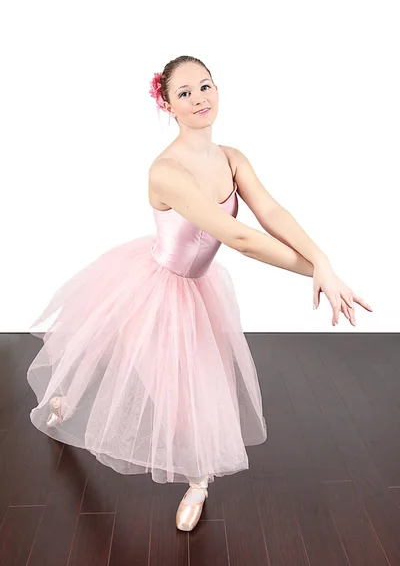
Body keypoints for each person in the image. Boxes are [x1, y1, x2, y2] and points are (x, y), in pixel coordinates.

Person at [27, 55, 372, 532]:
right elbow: (241, 238)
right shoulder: (166, 171)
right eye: (184, 93)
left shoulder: (232, 158)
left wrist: (323, 260)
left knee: (179, 374)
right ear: (167, 104)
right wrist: (316, 272)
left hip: (199, 286)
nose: (198, 99)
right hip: (156, 284)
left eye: (205, 86)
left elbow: (270, 212)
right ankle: (79, 407)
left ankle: (198, 480)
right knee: (148, 373)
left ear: (218, 90)